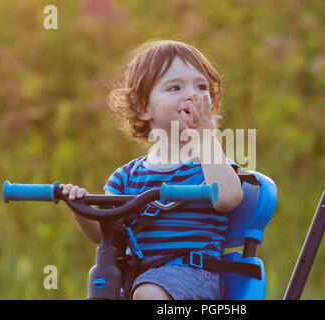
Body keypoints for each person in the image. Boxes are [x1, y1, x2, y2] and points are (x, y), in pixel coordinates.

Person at [59, 39, 244, 300]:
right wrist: (79, 209)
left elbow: (228, 197)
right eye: (174, 87)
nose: (191, 94)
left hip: (193, 275)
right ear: (142, 108)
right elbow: (107, 234)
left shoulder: (211, 164)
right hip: (137, 278)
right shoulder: (128, 176)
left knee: (149, 293)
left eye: (201, 86)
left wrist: (205, 138)